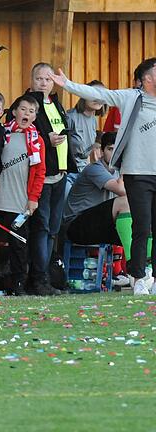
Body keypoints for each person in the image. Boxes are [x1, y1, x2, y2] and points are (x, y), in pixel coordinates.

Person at [49, 60, 156, 295]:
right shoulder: (131, 98)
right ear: (147, 78)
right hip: (137, 173)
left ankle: (154, 278)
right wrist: (67, 84)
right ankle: (138, 278)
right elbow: (98, 93)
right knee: (142, 225)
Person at [14, 62, 77, 295]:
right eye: (39, 78)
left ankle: (46, 276)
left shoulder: (56, 104)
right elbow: (22, 131)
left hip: (60, 173)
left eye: (47, 79)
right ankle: (37, 279)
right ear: (31, 81)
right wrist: (45, 139)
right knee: (41, 227)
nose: (43, 83)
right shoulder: (26, 104)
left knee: (52, 228)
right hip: (42, 176)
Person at [0, 95, 46, 296]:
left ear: (35, 116)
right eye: (23, 109)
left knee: (19, 245)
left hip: (20, 202)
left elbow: (40, 171)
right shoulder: (2, 133)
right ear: (13, 111)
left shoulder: (37, 140)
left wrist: (33, 198)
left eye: (31, 111)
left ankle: (19, 284)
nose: (26, 114)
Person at [63, 133, 143, 287]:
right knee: (125, 202)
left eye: (118, 150)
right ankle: (134, 269)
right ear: (101, 151)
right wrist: (127, 166)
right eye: (110, 149)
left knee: (145, 220)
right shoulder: (94, 169)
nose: (114, 154)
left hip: (98, 225)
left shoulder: (117, 172)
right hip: (76, 225)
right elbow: (121, 190)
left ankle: (144, 269)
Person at [65, 80, 108, 192]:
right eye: (93, 94)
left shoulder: (94, 120)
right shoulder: (70, 117)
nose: (97, 99)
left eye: (101, 95)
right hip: (68, 174)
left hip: (84, 172)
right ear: (83, 95)